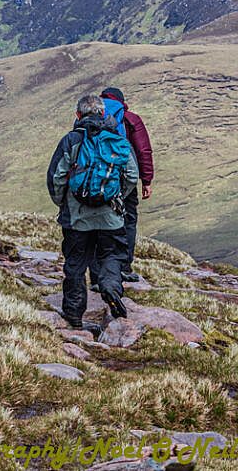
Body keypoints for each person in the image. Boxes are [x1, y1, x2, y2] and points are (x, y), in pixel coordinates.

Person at [47, 94, 139, 328]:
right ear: (103, 114)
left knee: (76, 263)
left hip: (77, 218)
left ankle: (75, 316)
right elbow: (131, 175)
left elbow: (57, 177)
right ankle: (110, 287)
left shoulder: (71, 140)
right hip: (110, 217)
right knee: (112, 255)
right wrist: (117, 197)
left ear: (78, 115)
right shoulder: (118, 140)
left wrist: (63, 203)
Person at [97, 87, 154, 282]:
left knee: (99, 220)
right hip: (124, 177)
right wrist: (146, 180)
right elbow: (143, 150)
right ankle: (124, 266)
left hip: (98, 179)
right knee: (128, 219)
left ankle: (100, 270)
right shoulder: (130, 118)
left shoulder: (90, 116)